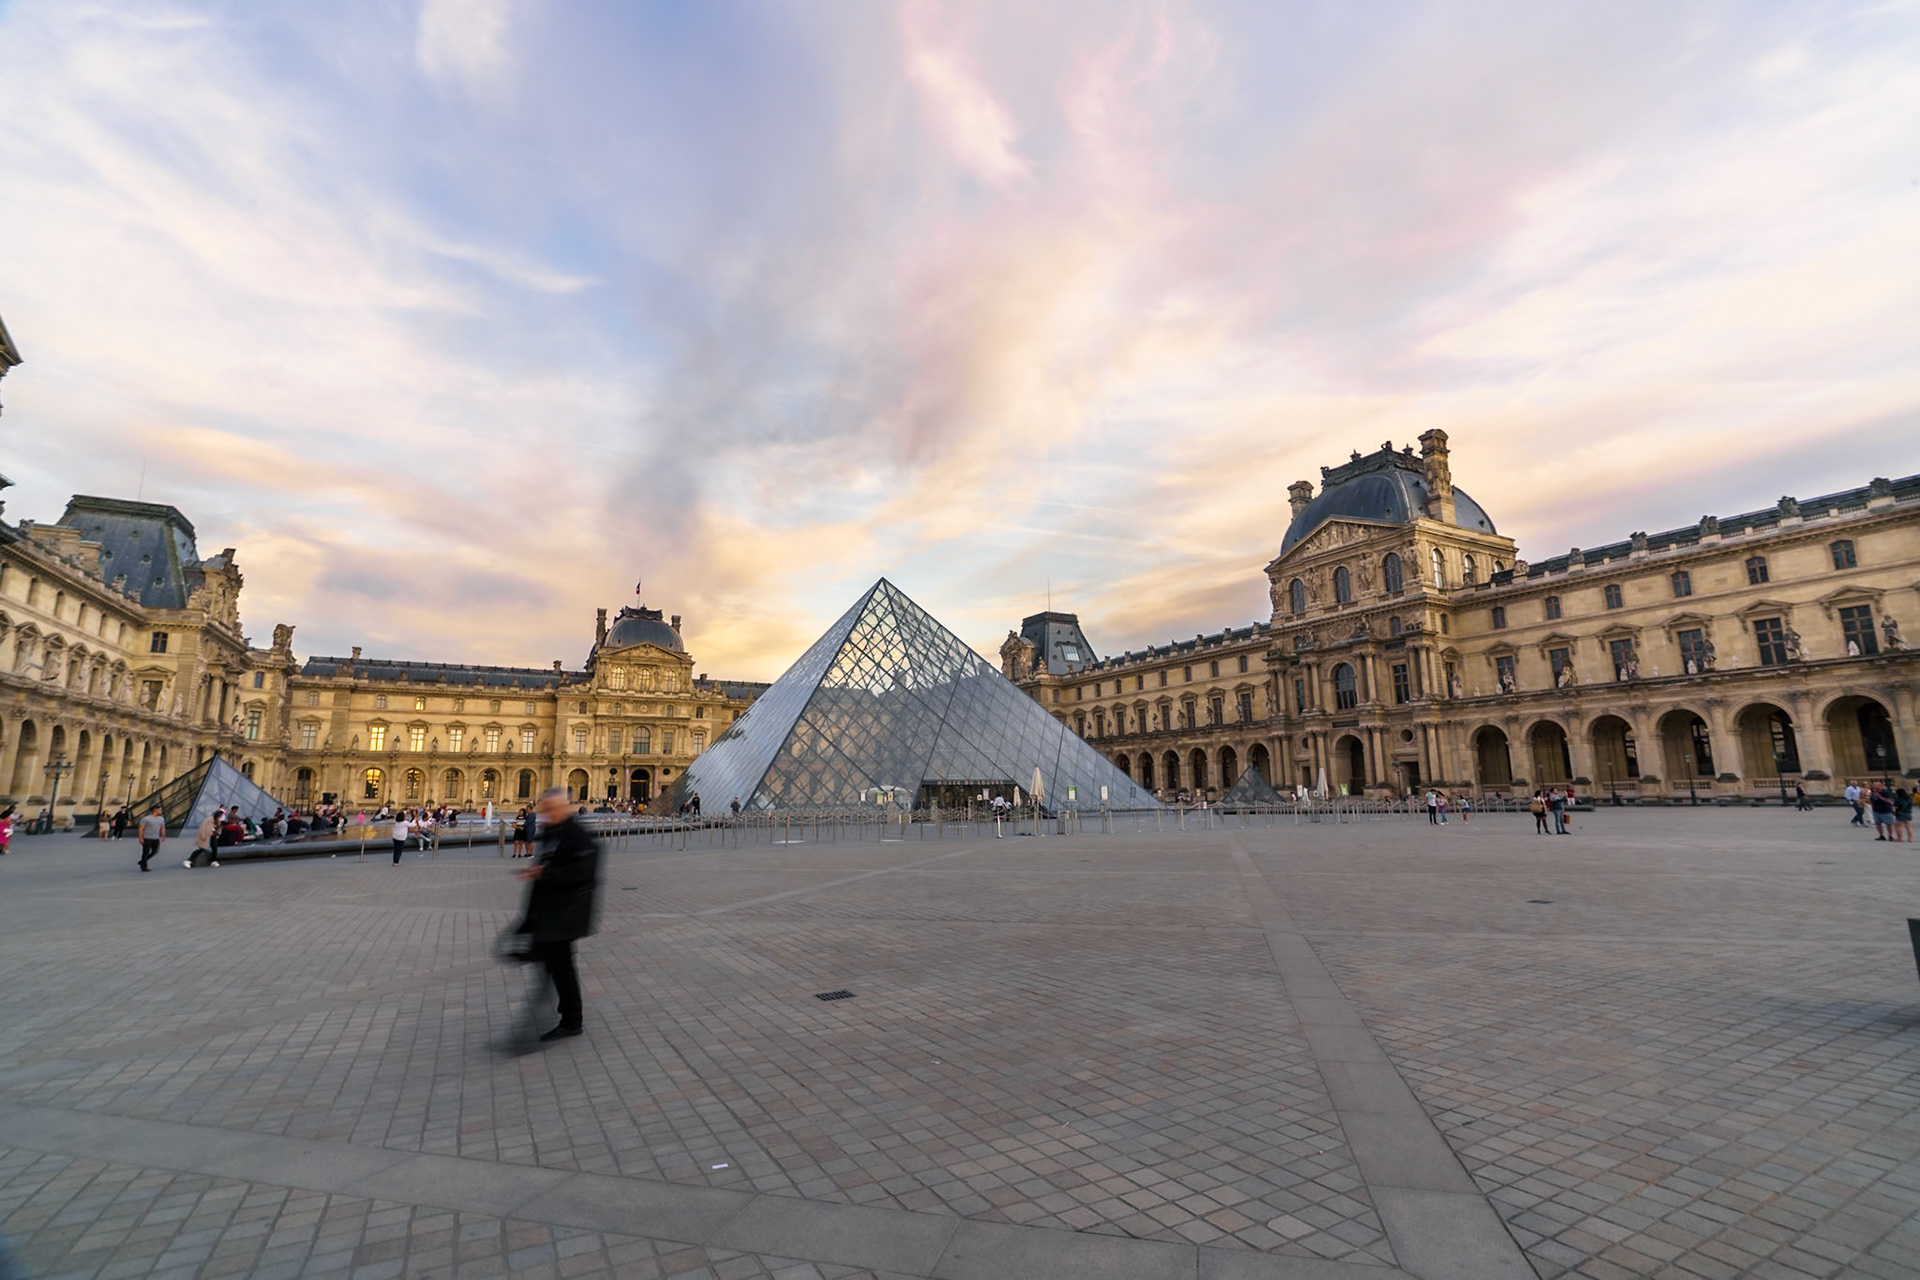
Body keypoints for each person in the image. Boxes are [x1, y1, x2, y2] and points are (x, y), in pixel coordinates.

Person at [515, 788, 601, 1041]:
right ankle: (566, 1017)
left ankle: (570, 1020)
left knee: (560, 968)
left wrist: (543, 874)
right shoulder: (554, 832)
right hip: (551, 913)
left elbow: (583, 873)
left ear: (565, 807)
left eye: (551, 808)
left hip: (565, 915)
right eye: (545, 808)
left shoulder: (577, 836)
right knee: (557, 966)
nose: (546, 813)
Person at [136, 805, 167, 872]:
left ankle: (142, 861)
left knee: (155, 851)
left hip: (156, 838)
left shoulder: (161, 819)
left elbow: (162, 827)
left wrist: (163, 835)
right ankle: (144, 866)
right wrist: (140, 838)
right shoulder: (146, 819)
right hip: (147, 838)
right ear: (155, 810)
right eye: (160, 810)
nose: (161, 811)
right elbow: (141, 829)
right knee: (145, 852)